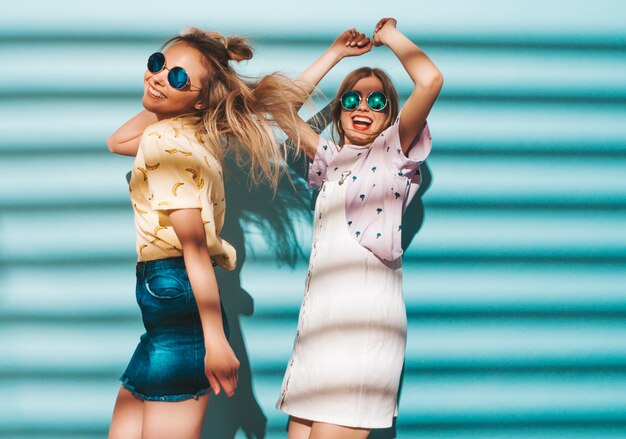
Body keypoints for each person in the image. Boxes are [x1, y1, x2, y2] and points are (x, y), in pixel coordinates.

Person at [106, 27, 306, 439]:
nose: (158, 76)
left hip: (181, 297)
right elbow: (117, 140)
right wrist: (169, 95)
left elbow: (194, 248)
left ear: (199, 99)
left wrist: (214, 340)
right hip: (167, 308)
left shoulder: (166, 142)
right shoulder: (190, 134)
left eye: (178, 77)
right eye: (157, 64)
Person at [277, 18, 443, 439]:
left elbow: (430, 79)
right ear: (338, 112)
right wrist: (336, 53)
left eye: (376, 101)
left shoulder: (394, 155)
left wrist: (388, 37)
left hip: (362, 331)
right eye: (351, 99)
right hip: (317, 331)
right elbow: (278, 107)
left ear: (390, 115)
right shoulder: (330, 159)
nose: (362, 108)